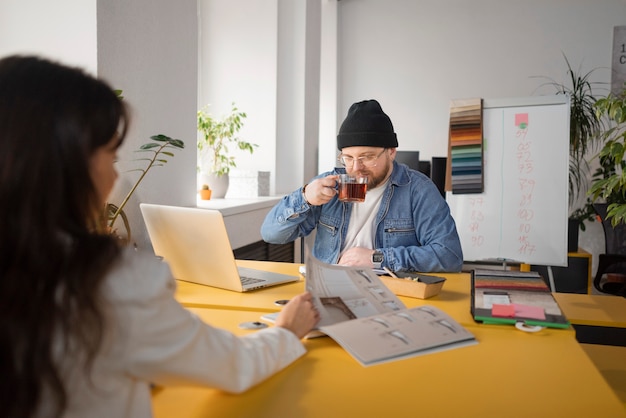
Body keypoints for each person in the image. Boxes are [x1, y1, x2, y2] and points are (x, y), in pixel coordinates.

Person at [0, 55, 319, 418]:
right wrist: (287, 331)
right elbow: (233, 364)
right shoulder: (109, 283)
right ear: (69, 164)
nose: (114, 177)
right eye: (111, 155)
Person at [261, 99, 463, 273]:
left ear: (391, 152)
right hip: (330, 286)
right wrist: (304, 197)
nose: (356, 168)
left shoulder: (418, 190)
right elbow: (271, 234)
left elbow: (449, 256)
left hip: (389, 290)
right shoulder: (329, 185)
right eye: (348, 158)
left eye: (367, 157)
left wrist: (377, 258)